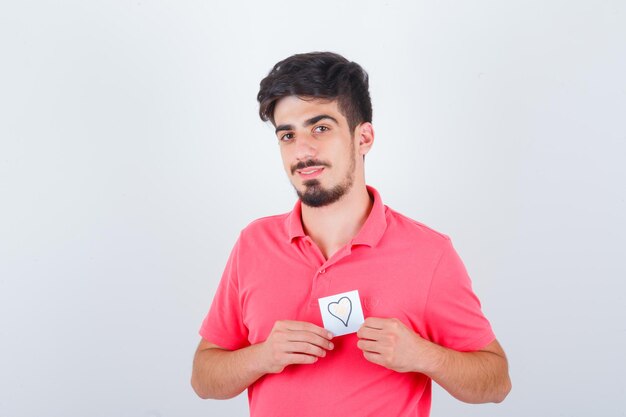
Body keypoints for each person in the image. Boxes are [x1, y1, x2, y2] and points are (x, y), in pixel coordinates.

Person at [191, 51, 511, 416]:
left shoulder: (429, 253)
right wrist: (262, 356)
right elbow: (204, 377)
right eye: (287, 135)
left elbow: (497, 382)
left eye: (321, 128)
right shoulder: (253, 243)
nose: (303, 151)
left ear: (364, 138)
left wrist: (423, 355)